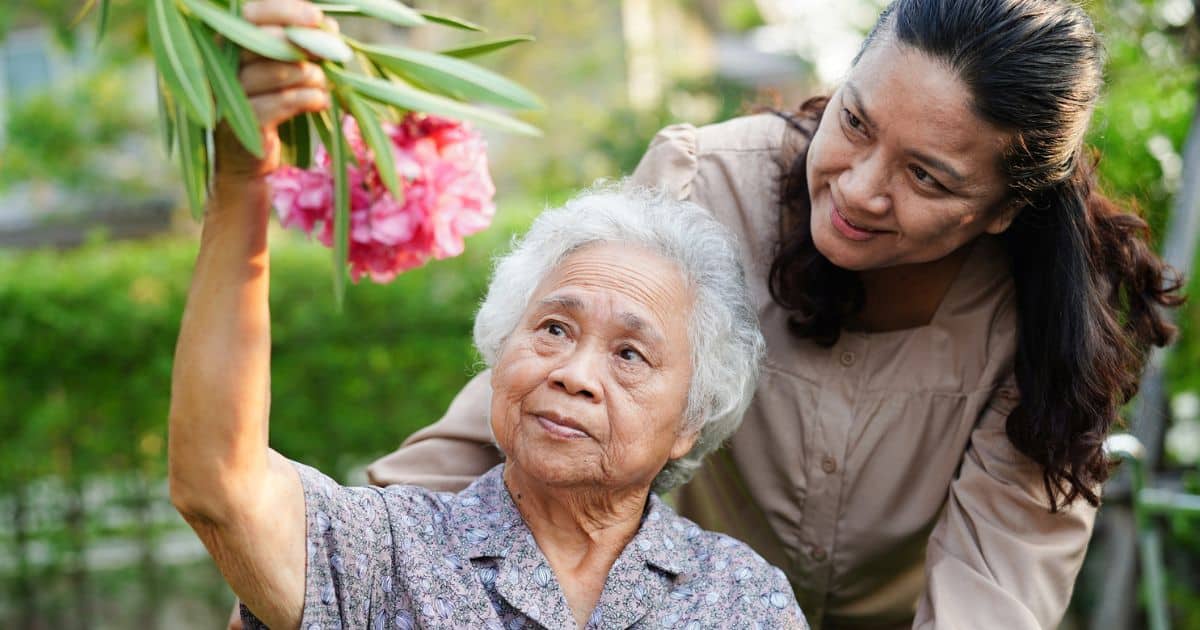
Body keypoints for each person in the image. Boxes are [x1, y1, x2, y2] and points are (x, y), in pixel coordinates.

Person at [361, 1, 1186, 628]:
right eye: (854, 122)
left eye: (926, 178)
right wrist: (336, 565)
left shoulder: (1044, 324)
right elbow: (523, 408)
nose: (860, 189)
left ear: (1004, 209)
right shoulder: (704, 187)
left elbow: (995, 596)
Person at [169, 115, 812, 630]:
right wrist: (241, 179)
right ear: (502, 352)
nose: (574, 373)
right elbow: (220, 486)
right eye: (554, 329)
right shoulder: (386, 552)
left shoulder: (740, 600)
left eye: (629, 355)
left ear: (688, 425)